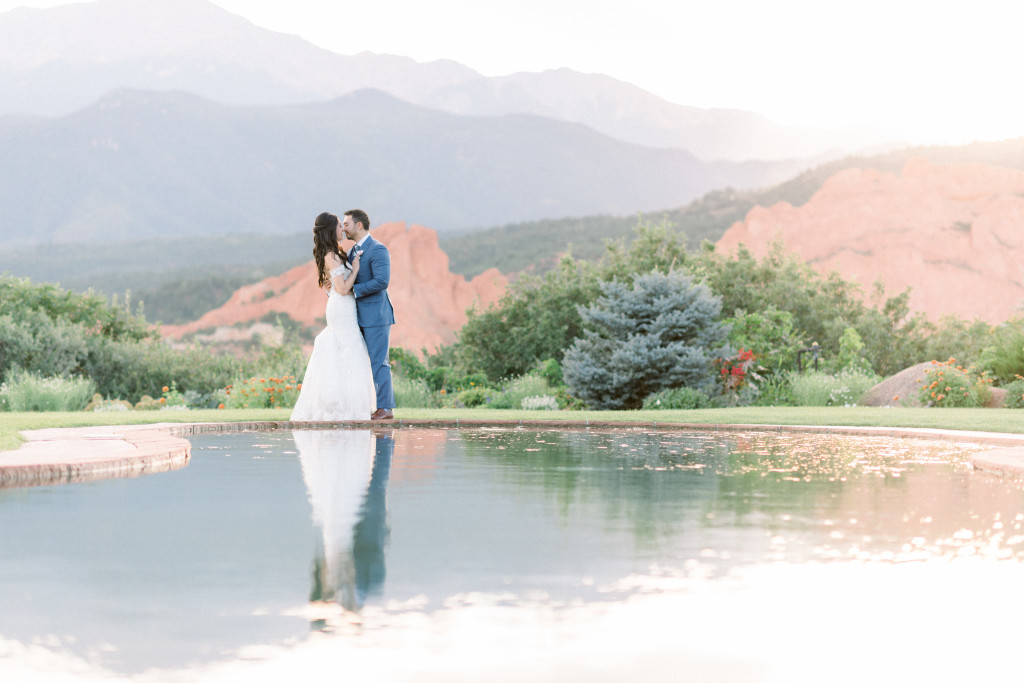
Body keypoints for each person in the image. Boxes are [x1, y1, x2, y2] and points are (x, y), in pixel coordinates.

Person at [290, 212, 376, 421]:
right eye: (339, 226)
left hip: (345, 307)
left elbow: (334, 287)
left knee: (348, 349)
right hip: (342, 308)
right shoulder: (330, 256)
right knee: (345, 347)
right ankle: (338, 407)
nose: (342, 229)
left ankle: (348, 404)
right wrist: (355, 269)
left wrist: (337, 284)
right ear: (331, 230)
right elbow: (344, 289)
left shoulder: (336, 253)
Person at [341, 209, 396, 420]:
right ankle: (367, 405)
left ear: (359, 225)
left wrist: (354, 291)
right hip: (357, 316)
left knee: (379, 362)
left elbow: (382, 281)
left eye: (347, 224)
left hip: (376, 316)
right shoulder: (352, 251)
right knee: (360, 362)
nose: (344, 228)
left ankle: (385, 408)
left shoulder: (378, 249)